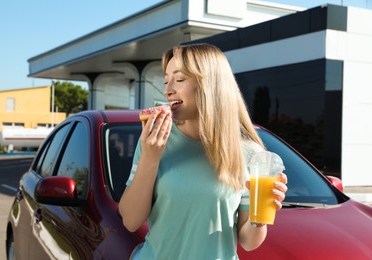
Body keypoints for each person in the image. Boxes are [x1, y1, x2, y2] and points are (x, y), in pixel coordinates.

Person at [119, 43, 288, 260]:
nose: (168, 89)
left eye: (179, 79)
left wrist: (261, 214)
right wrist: (150, 157)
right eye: (166, 80)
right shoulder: (155, 140)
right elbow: (130, 221)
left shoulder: (249, 153)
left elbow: (248, 241)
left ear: (211, 85)